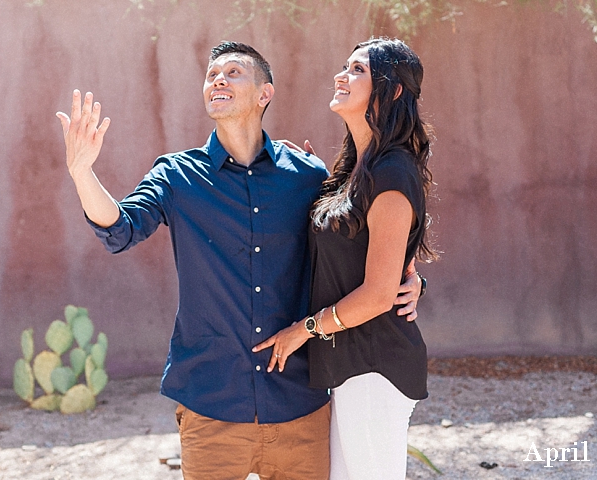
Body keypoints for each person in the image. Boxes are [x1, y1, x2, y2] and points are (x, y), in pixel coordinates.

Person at [56, 41, 423, 480]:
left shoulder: (307, 175)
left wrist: (411, 279)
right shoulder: (176, 176)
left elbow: (355, 240)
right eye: (212, 75)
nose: (218, 80)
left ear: (264, 93)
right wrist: (82, 173)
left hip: (299, 406)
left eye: (233, 72)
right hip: (212, 406)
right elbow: (120, 228)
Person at [253, 39, 433, 480]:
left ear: (391, 91)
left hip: (375, 367)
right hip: (350, 365)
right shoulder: (356, 169)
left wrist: (304, 330)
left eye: (358, 70)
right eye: (345, 66)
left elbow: (376, 296)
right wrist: (415, 281)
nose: (341, 76)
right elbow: (385, 261)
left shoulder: (391, 172)